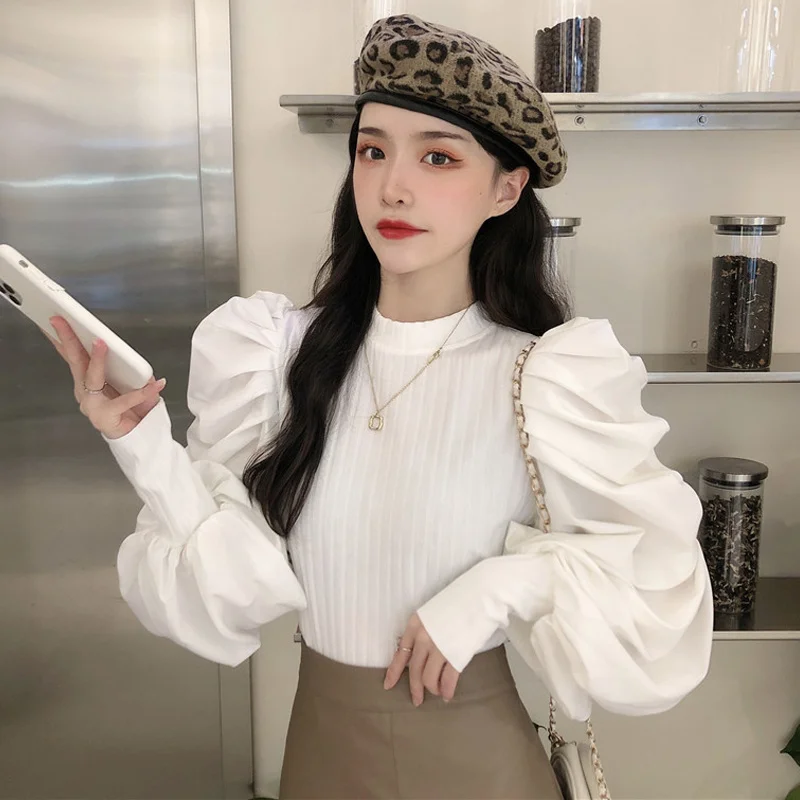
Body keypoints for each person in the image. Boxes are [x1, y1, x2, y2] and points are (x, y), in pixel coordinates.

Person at [48, 13, 713, 800]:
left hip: (479, 763)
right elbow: (232, 587)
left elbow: (655, 583)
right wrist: (144, 445)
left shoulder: (543, 377)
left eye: (438, 157)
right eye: (372, 151)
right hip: (321, 755)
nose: (393, 186)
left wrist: (502, 587)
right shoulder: (281, 358)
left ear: (506, 188)